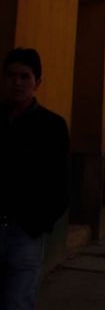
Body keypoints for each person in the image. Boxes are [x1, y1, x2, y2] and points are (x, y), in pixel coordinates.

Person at [0, 48, 70, 309]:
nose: (17, 83)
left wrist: (37, 224)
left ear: (37, 82)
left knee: (17, 301)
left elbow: (61, 183)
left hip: (25, 233)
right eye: (11, 76)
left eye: (24, 76)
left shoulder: (52, 126)